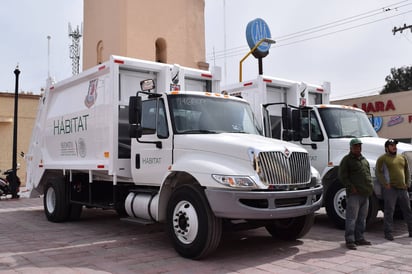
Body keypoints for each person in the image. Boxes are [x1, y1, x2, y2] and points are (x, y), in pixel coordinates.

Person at [339, 138, 373, 250]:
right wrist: (351, 187)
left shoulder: (364, 160)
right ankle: (350, 240)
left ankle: (360, 238)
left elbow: (367, 174)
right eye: (355, 146)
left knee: (362, 218)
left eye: (359, 146)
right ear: (351, 148)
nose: (358, 148)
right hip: (354, 194)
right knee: (351, 218)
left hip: (365, 194)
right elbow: (343, 176)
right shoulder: (347, 160)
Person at [376, 139, 412, 241]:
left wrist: (407, 184)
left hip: (402, 188)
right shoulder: (382, 159)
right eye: (391, 145)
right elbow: (378, 172)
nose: (394, 147)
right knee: (389, 211)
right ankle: (388, 233)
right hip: (390, 189)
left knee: (408, 211)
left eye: (395, 145)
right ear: (387, 148)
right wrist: (385, 184)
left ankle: (411, 231)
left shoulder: (402, 157)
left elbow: (407, 171)